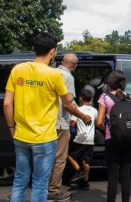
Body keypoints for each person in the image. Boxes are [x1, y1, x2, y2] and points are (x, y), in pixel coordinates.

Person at [3, 32, 88, 202]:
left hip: (21, 135)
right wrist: (70, 96)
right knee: (40, 183)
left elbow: (7, 104)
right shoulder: (55, 75)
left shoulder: (18, 69)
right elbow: (67, 100)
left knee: (20, 180)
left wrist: (12, 128)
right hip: (45, 138)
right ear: (52, 51)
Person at [48, 53, 92, 201]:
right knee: (59, 159)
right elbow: (68, 104)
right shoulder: (68, 77)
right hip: (60, 123)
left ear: (62, 62)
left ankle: (42, 188)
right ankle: (53, 191)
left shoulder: (51, 72)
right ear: (74, 65)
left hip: (47, 122)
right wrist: (83, 116)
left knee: (47, 157)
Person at [96, 70, 131, 202]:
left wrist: (108, 129)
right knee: (126, 172)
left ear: (110, 82)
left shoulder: (105, 97)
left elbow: (99, 122)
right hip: (129, 139)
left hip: (112, 140)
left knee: (113, 175)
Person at [67, 87, 98, 190]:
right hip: (90, 140)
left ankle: (78, 170)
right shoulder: (94, 110)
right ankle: (85, 182)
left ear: (80, 98)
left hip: (80, 139)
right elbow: (96, 123)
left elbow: (72, 124)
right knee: (86, 161)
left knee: (68, 154)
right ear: (90, 99)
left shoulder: (78, 110)